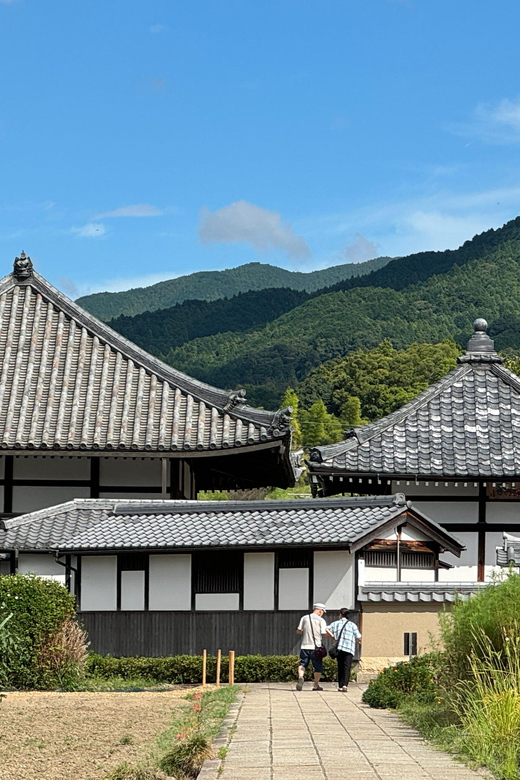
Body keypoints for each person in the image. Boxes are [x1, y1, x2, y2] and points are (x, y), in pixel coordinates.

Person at [295, 602, 328, 691]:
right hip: (316, 647)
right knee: (317, 667)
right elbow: (324, 633)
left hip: (305, 646)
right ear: (320, 611)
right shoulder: (321, 620)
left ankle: (301, 676)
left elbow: (298, 630)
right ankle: (315, 685)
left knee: (302, 663)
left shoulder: (304, 618)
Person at [326, 608, 361, 691]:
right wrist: (356, 641)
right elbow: (358, 636)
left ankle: (340, 685)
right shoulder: (352, 625)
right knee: (347, 666)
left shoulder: (336, 623)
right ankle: (345, 685)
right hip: (349, 648)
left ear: (340, 614)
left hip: (339, 648)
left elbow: (326, 628)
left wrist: (333, 637)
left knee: (340, 666)